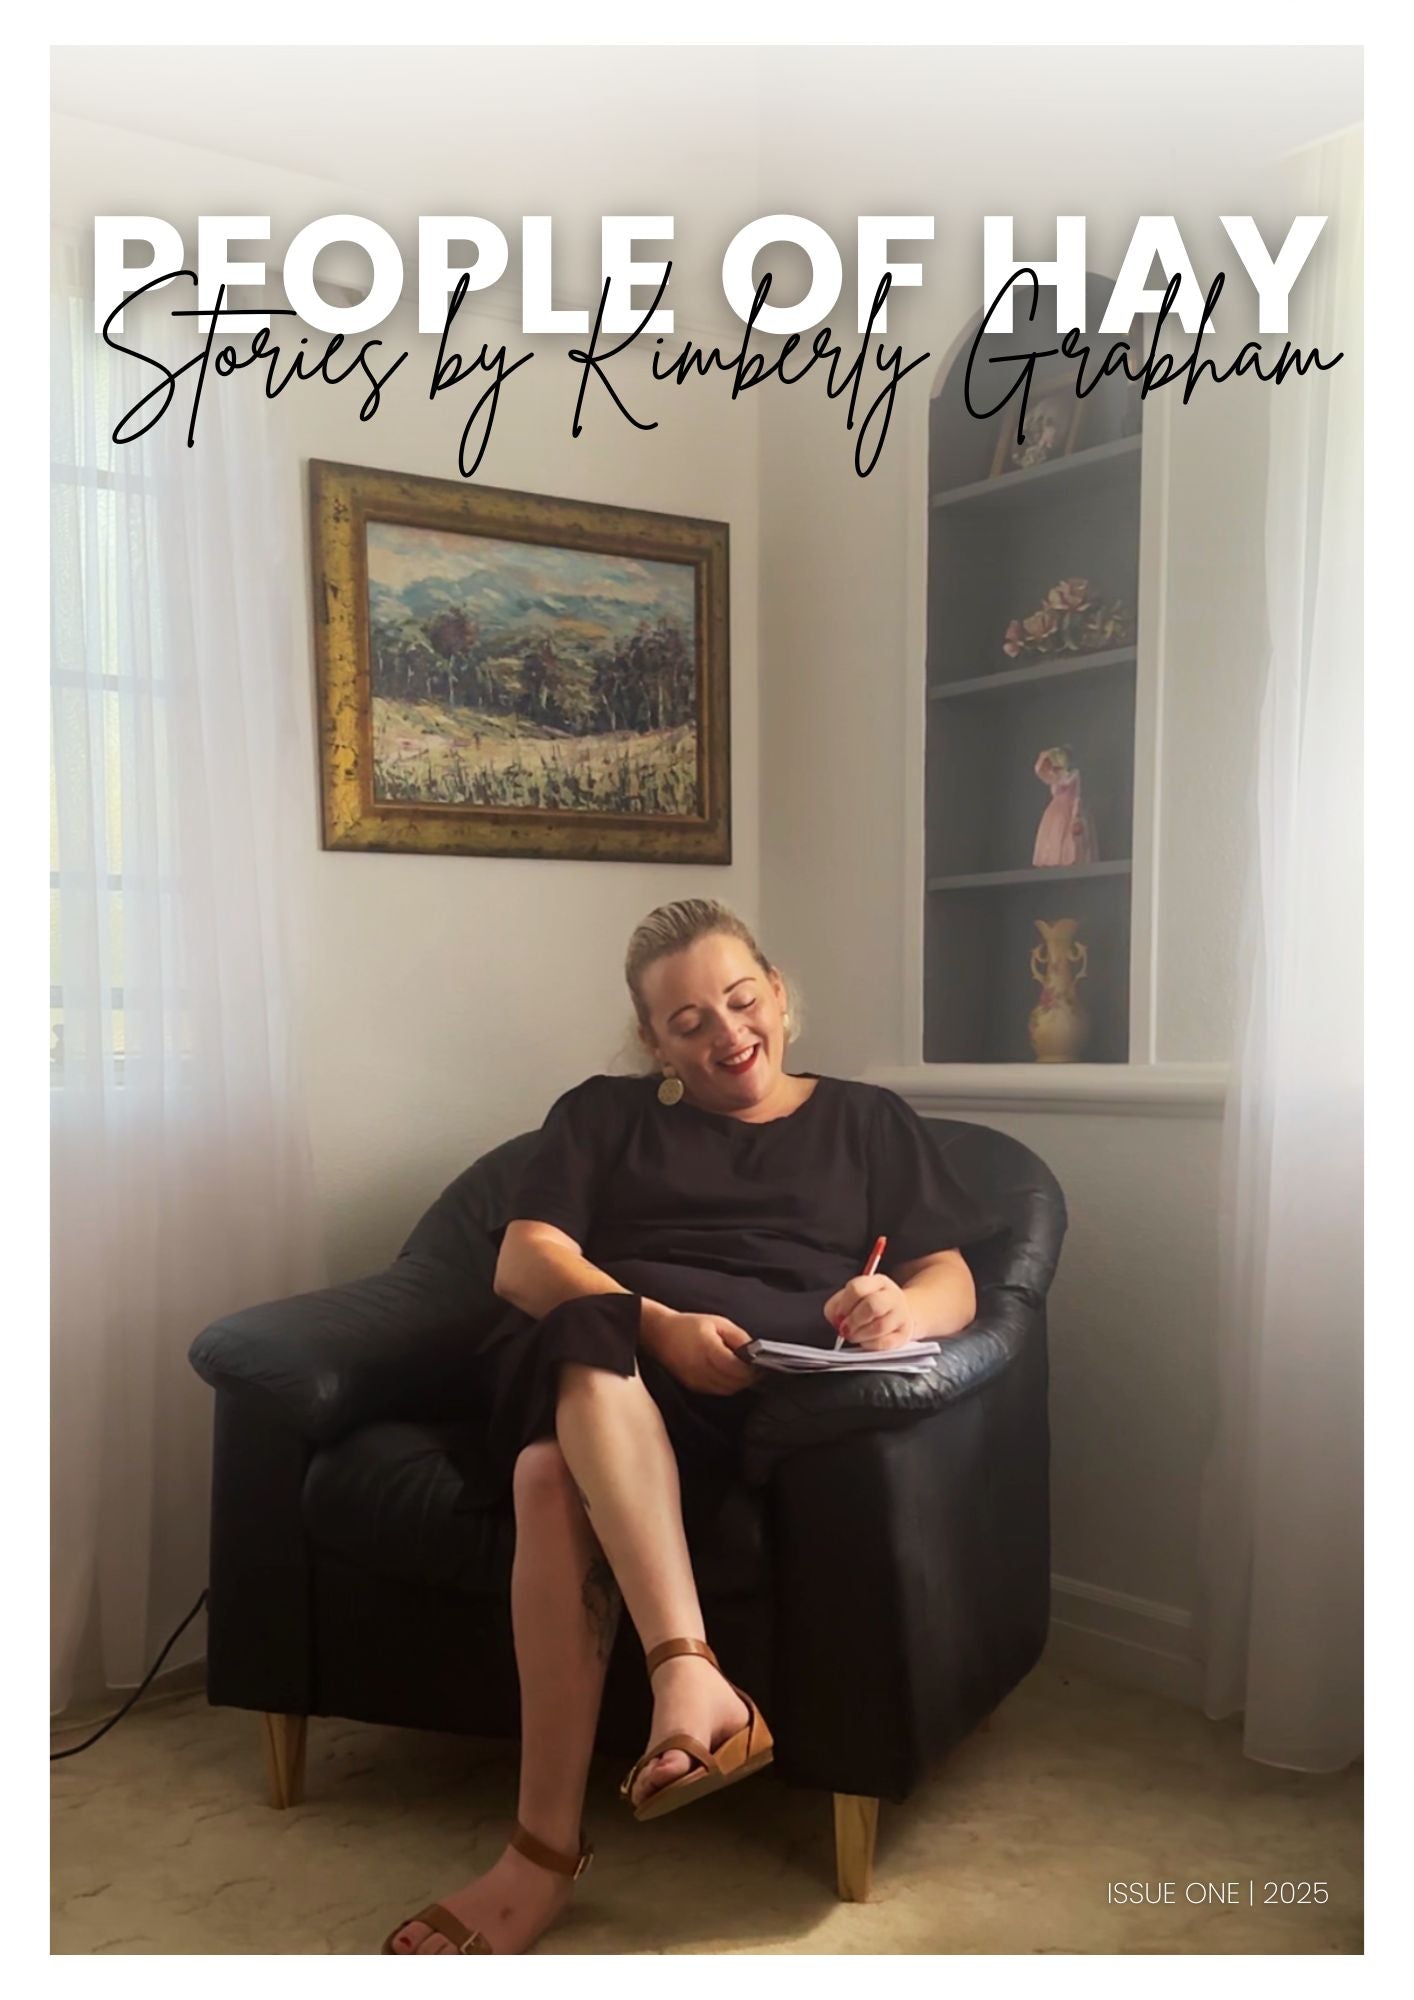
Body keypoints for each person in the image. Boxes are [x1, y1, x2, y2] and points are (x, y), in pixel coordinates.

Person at [383, 899, 992, 1955]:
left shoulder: (868, 1121)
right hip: (602, 1361)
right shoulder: (602, 1115)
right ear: (652, 1042)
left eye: (741, 999)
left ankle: (540, 1860)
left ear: (779, 993)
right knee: (586, 1343)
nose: (726, 1033)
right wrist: (656, 1326)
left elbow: (954, 1274)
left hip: (758, 1400)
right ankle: (686, 1677)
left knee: (546, 1478)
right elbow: (525, 1258)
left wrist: (903, 1306)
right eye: (688, 1021)